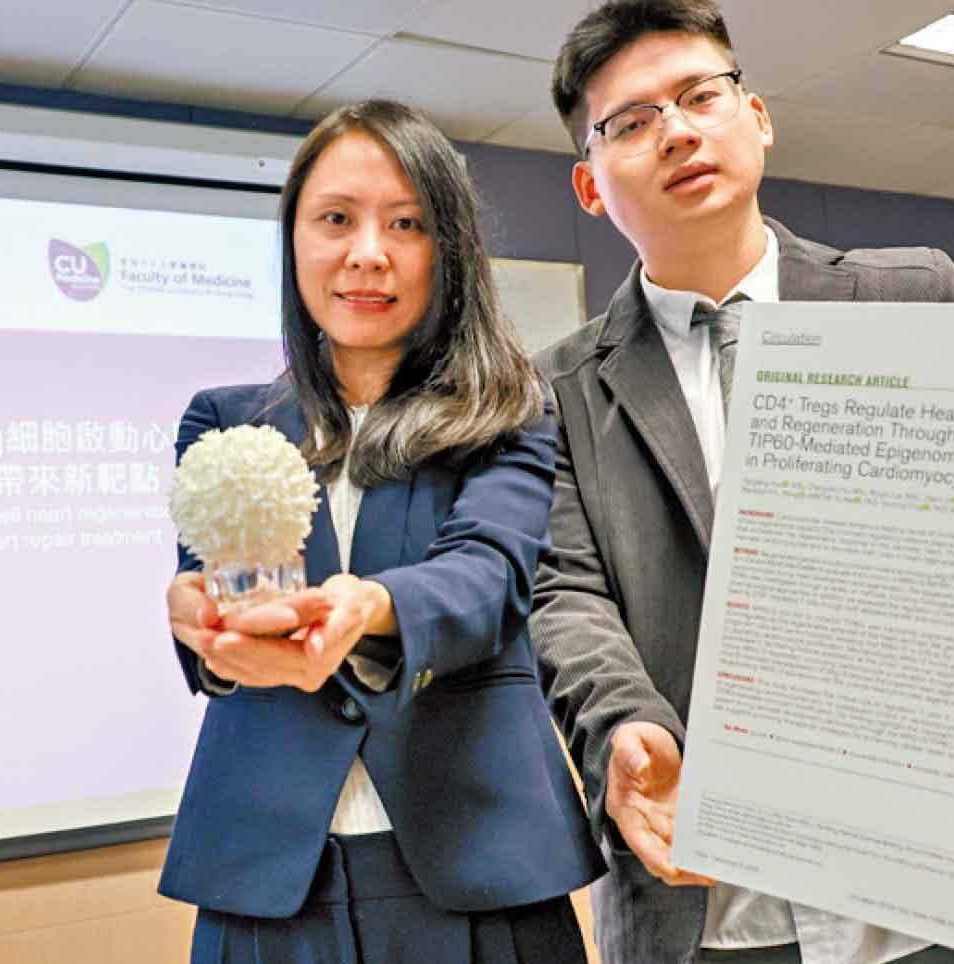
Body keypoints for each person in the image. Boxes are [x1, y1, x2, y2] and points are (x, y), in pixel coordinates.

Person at [528, 3, 954, 964]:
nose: (676, 131)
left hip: (937, 891)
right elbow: (565, 590)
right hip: (711, 903)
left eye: (700, 96)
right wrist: (623, 725)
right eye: (632, 121)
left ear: (757, 116)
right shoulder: (554, 391)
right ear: (589, 185)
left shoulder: (914, 299)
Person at [159, 99, 605, 964]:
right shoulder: (224, 422)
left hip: (480, 865)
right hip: (269, 874)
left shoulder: (508, 413)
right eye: (336, 219)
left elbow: (487, 574)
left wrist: (367, 608)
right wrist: (203, 626)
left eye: (407, 223)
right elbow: (222, 592)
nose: (368, 252)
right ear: (294, 240)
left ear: (449, 250)